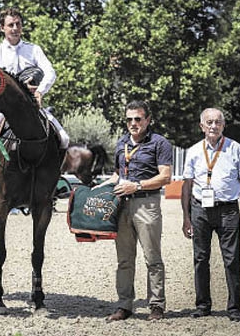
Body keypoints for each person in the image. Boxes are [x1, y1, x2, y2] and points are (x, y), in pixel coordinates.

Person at [94, 100, 172, 321]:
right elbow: (118, 175)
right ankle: (124, 305)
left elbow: (165, 176)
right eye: (129, 119)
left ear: (148, 120)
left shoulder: (160, 143)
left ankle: (156, 306)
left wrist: (136, 186)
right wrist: (99, 188)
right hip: (122, 205)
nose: (133, 123)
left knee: (152, 258)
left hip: (147, 204)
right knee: (124, 260)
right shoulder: (121, 143)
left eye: (138, 119)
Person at [0, 7, 69, 190]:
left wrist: (40, 91)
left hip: (33, 106)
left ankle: (55, 180)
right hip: (5, 110)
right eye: (11, 25)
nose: (15, 28)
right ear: (2, 28)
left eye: (18, 24)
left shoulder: (33, 50)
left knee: (64, 138)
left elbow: (51, 72)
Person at [181, 108, 240, 322]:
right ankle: (203, 305)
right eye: (209, 122)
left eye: (218, 122)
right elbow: (186, 186)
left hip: (228, 210)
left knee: (232, 260)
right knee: (200, 258)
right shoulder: (193, 151)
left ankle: (234, 308)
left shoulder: (236, 149)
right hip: (200, 209)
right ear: (202, 126)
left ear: (223, 125)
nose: (213, 126)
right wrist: (186, 217)